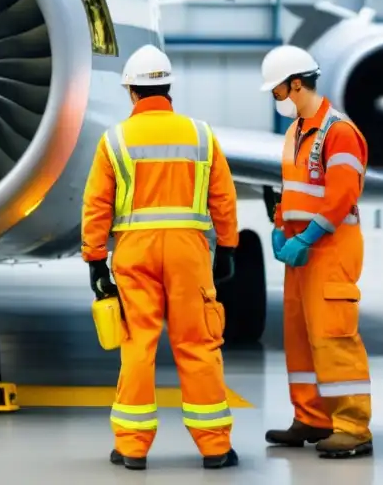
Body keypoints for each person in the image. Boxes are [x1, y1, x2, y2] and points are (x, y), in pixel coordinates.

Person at [81, 44, 240, 472]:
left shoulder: (114, 139)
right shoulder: (202, 135)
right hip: (189, 251)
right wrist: (226, 246)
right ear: (168, 89)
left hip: (136, 252)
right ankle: (215, 448)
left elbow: (97, 203)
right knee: (199, 344)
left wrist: (96, 260)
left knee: (137, 346)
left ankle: (132, 448)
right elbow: (223, 197)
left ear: (131, 92)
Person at [259, 45, 373, 458]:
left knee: (334, 338)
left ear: (295, 85)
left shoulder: (338, 131)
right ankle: (311, 417)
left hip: (329, 251)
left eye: (277, 92)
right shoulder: (296, 132)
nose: (276, 101)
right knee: (301, 340)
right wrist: (278, 230)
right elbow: (291, 192)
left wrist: (306, 238)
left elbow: (341, 196)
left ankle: (352, 426)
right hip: (300, 254)